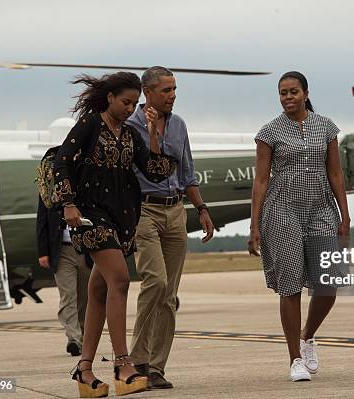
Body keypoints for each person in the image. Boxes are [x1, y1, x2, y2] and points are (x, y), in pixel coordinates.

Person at [52, 71, 176, 397]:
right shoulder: (91, 124)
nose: (130, 108)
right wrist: (67, 204)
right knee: (119, 280)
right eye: (126, 102)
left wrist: (151, 131)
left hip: (121, 218)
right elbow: (61, 162)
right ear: (110, 98)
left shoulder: (130, 133)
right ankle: (123, 364)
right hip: (90, 216)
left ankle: (85, 369)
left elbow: (154, 168)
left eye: (135, 104)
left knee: (98, 291)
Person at [248, 71, 350, 382]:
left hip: (321, 211)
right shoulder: (269, 132)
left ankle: (307, 336)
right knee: (290, 286)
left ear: (305, 93)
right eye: (283, 93)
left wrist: (345, 215)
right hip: (282, 212)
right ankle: (294, 358)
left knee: (329, 284)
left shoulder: (326, 127)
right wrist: (254, 225)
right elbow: (261, 180)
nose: (288, 97)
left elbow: (335, 174)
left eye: (293, 92)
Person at [127, 66, 214, 390]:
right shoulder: (130, 125)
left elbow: (187, 172)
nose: (173, 96)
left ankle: (155, 367)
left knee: (169, 296)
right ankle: (137, 359)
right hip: (143, 209)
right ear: (147, 92)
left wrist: (202, 209)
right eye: (166, 90)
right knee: (156, 282)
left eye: (175, 89)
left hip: (175, 210)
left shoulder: (179, 125)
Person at [36, 146, 92, 357]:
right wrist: (43, 251)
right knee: (68, 296)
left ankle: (86, 335)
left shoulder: (87, 182)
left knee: (86, 297)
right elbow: (42, 219)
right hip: (62, 250)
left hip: (86, 247)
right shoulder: (48, 188)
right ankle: (74, 339)